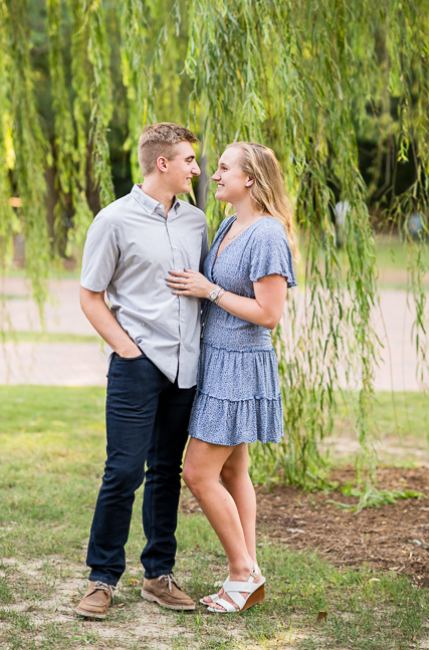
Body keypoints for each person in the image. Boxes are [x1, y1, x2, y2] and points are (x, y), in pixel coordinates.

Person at [75, 122, 209, 619]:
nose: (198, 169)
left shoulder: (196, 222)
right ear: (163, 164)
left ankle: (158, 575)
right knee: (123, 471)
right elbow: (90, 296)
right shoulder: (113, 221)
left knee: (166, 473)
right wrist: (127, 350)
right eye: (190, 160)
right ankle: (101, 579)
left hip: (186, 368)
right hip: (136, 365)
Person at [167, 142, 297, 614]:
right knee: (232, 469)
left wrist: (210, 290)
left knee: (198, 473)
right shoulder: (228, 225)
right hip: (217, 360)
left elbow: (269, 314)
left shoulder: (266, 235)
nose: (213, 175)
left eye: (223, 168)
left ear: (251, 179)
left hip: (240, 365)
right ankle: (248, 572)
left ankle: (242, 572)